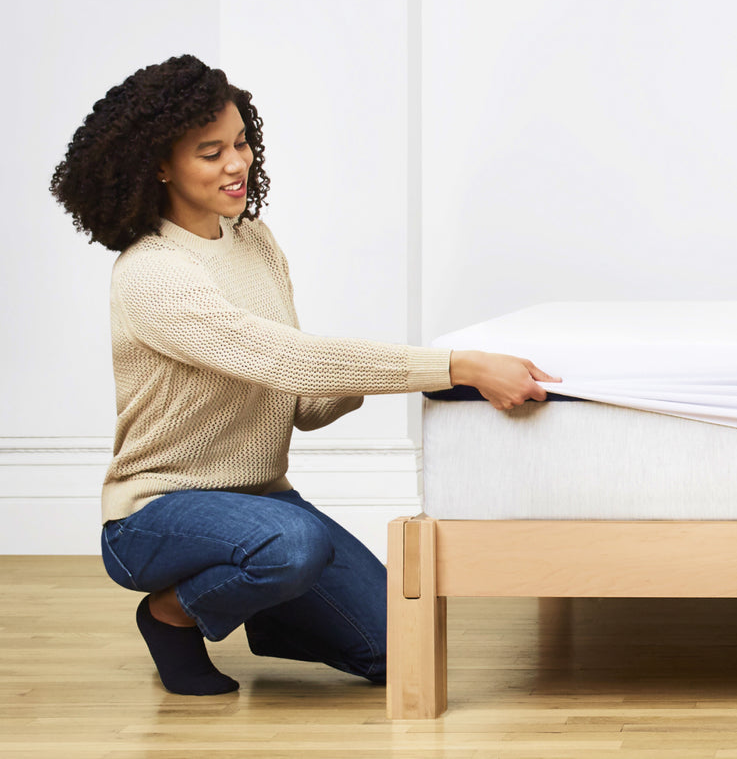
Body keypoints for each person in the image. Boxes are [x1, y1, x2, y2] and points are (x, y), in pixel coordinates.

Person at [50, 54, 558, 696]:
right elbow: (288, 359)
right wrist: (449, 364)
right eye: (211, 153)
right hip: (157, 513)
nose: (237, 164)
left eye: (241, 142)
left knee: (392, 651)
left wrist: (430, 382)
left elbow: (302, 400)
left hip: (261, 503)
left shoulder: (252, 240)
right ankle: (171, 614)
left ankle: (269, 607)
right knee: (293, 543)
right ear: (158, 165)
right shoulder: (152, 274)